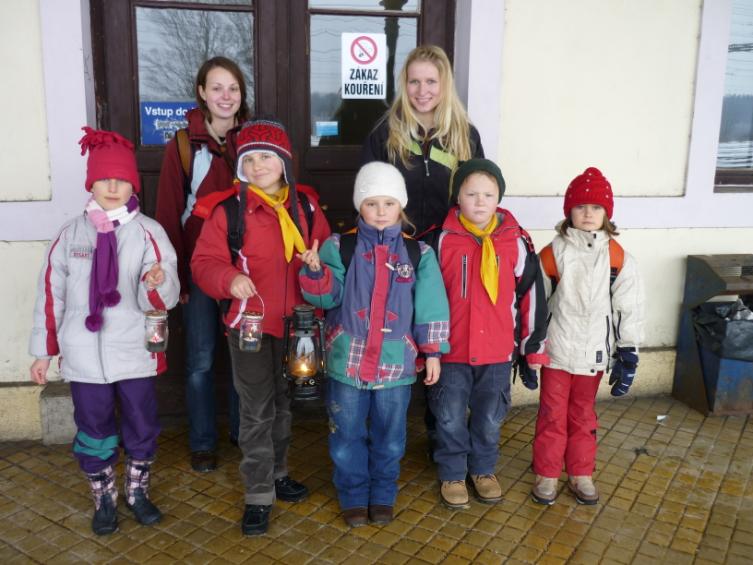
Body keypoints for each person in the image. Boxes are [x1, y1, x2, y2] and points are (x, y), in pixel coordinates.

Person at [29, 127, 180, 535]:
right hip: (82, 356)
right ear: (90, 182)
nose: (113, 186)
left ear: (133, 183)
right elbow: (51, 295)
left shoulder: (149, 232)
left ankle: (137, 490)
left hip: (134, 352)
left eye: (121, 179)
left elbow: (166, 296)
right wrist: (44, 351)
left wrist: (156, 281)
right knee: (93, 427)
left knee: (141, 423)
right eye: (104, 179)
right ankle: (104, 497)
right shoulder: (70, 235)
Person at [190, 118, 331, 536]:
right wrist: (228, 279)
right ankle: (257, 494)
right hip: (248, 328)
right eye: (250, 159)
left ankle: (278, 472)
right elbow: (203, 262)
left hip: (297, 330)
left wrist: (318, 267)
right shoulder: (229, 211)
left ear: (284, 163)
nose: (258, 166)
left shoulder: (305, 208)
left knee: (284, 407)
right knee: (255, 411)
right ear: (241, 166)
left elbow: (329, 260)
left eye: (267, 157)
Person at [298, 161, 450, 528]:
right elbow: (324, 300)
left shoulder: (420, 255)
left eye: (389, 203)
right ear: (359, 206)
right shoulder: (340, 247)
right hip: (346, 364)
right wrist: (315, 272)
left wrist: (432, 352)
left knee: (391, 437)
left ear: (401, 207)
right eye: (371, 203)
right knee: (346, 435)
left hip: (395, 367)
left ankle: (382, 494)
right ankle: (352, 494)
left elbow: (431, 306)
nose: (380, 212)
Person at [429, 159, 549, 509]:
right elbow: (425, 297)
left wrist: (531, 348)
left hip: (497, 350)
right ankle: (452, 472)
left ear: (499, 198)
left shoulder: (516, 240)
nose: (479, 201)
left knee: (490, 416)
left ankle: (483, 469)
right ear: (457, 197)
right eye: (471, 194)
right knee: (448, 416)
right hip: (452, 350)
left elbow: (531, 296)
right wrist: (429, 347)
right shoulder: (440, 239)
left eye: (488, 194)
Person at [155, 56, 250, 473]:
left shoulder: (252, 141)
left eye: (233, 88)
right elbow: (167, 212)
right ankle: (203, 441)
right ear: (201, 92)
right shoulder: (182, 145)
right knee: (200, 360)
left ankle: (244, 433)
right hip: (197, 271)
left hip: (244, 273)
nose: (225, 96)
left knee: (246, 357)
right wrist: (177, 277)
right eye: (216, 88)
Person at [531, 167, 644, 506]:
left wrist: (628, 353)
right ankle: (547, 474)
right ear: (569, 211)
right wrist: (528, 347)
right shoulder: (553, 253)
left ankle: (580, 473)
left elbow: (629, 309)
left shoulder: (619, 258)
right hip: (557, 351)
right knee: (552, 415)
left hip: (594, 353)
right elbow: (536, 304)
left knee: (583, 415)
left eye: (596, 207)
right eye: (580, 207)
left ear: (607, 213)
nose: (588, 214)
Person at [361, 44, 484, 237]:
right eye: (414, 81)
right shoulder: (384, 134)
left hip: (449, 248)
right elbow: (365, 196)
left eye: (431, 81)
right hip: (397, 247)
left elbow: (481, 196)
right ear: (405, 84)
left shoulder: (466, 136)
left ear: (444, 85)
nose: (422, 90)